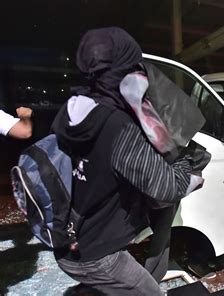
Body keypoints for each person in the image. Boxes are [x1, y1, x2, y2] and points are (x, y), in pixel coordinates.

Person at [52, 27, 192, 296]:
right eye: (134, 66)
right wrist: (184, 161)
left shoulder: (72, 110)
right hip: (95, 253)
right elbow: (168, 188)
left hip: (65, 239)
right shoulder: (119, 128)